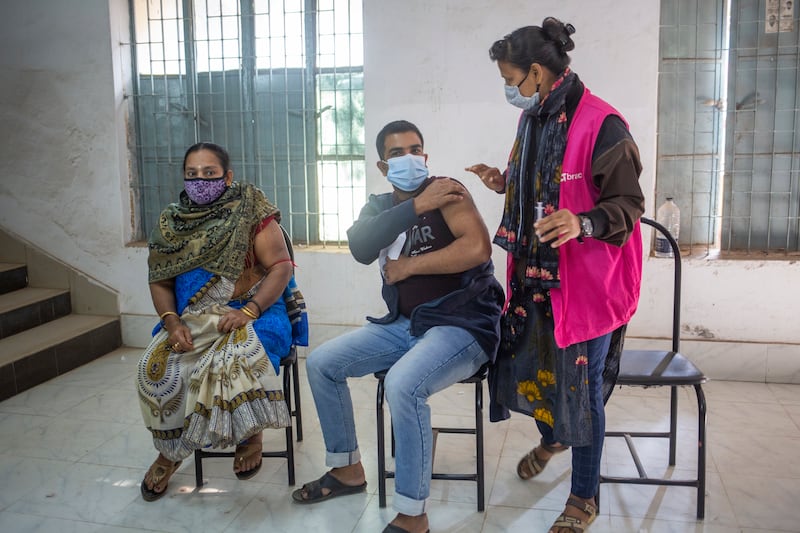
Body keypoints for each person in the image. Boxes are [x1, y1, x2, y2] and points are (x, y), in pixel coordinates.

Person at [466, 18, 645, 533]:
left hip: (588, 286)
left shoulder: (603, 123)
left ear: (538, 73)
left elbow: (629, 205)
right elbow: (543, 185)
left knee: (582, 394)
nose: (509, 90)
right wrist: (506, 183)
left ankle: (582, 498)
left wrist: (583, 221)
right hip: (536, 281)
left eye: (511, 80)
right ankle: (555, 438)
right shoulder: (535, 119)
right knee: (536, 374)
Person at [292, 120, 504, 533]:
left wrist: (409, 266)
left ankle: (412, 515)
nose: (409, 158)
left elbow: (476, 248)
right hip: (405, 324)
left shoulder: (447, 190)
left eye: (415, 149)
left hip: (464, 323)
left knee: (403, 385)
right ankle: (346, 470)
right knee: (321, 363)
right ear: (382, 166)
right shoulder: (378, 207)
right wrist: (414, 207)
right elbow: (360, 246)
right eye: (396, 153)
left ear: (425, 155)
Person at [137, 142, 308, 502]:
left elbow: (280, 267)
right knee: (156, 367)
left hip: (253, 312)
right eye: (192, 175)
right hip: (190, 319)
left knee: (231, 362)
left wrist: (250, 311)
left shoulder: (251, 211)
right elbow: (160, 280)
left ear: (227, 177)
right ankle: (170, 451)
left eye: (209, 174)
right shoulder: (171, 223)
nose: (200, 181)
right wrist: (170, 321)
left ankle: (249, 434)